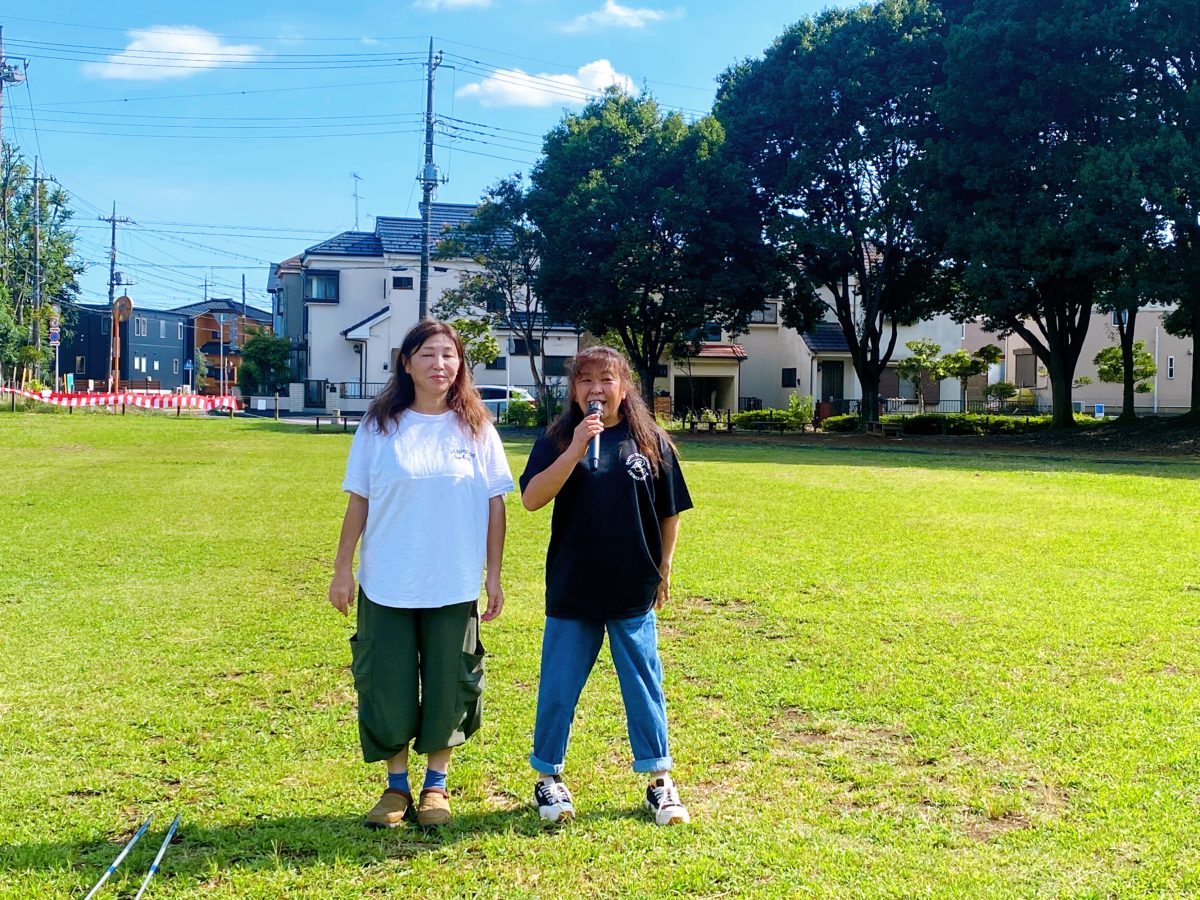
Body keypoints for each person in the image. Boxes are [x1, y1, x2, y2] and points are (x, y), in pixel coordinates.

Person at [328, 320, 514, 829]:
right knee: (385, 684)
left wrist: (493, 576)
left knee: (450, 682)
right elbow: (358, 501)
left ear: (460, 366)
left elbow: (496, 505)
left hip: (452, 582)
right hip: (386, 581)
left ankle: (436, 787)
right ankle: (395, 788)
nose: (440, 365)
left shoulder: (476, 427)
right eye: (428, 355)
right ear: (406, 363)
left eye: (449, 356)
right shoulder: (379, 426)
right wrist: (343, 569)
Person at [519, 345, 693, 826]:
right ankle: (548, 778)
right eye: (586, 380)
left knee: (643, 685)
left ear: (625, 387)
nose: (596, 389)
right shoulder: (557, 440)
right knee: (559, 686)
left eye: (607, 379)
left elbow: (669, 511)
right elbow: (532, 498)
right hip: (574, 586)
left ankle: (659, 781)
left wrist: (665, 567)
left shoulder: (651, 440)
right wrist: (576, 447)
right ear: (573, 390)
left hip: (631, 584)